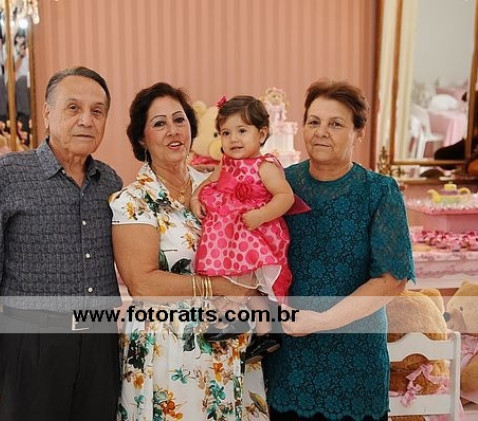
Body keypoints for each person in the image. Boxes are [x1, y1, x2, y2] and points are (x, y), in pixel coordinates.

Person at [0, 66, 123, 420]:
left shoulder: (110, 182)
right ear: (46, 113)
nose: (86, 120)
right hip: (29, 347)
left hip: (100, 347)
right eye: (73, 108)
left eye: (97, 111)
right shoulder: (7, 175)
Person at [110, 82, 269, 420]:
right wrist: (221, 286)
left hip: (230, 341)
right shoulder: (133, 201)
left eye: (179, 119)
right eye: (159, 123)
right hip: (169, 352)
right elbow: (144, 284)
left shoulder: (219, 184)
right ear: (142, 138)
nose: (173, 130)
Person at [263, 79, 414, 421]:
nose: (321, 132)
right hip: (292, 356)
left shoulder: (379, 192)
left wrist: (322, 321)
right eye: (313, 121)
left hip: (356, 357)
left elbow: (392, 279)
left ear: (358, 133)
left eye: (335, 124)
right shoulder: (281, 186)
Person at [190, 95, 308, 362]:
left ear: (262, 134)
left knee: (239, 279)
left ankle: (233, 317)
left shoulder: (265, 166)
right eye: (226, 133)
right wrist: (196, 198)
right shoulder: (225, 163)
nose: (233, 139)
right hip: (229, 236)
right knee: (241, 283)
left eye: (242, 131)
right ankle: (265, 333)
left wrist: (261, 215)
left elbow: (285, 197)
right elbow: (208, 183)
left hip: (254, 233)